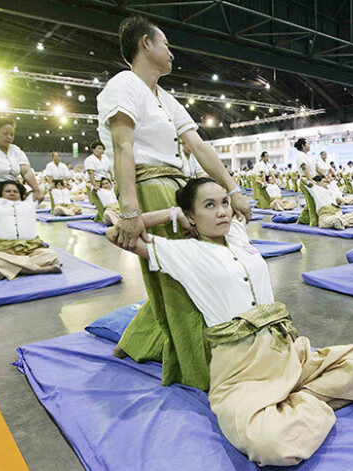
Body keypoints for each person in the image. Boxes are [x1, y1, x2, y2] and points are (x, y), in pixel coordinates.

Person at [106, 177, 353, 466]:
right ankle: (296, 401)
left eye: (224, 203)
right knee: (273, 445)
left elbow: (241, 211)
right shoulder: (182, 252)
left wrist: (233, 197)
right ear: (191, 216)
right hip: (241, 369)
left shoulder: (238, 235)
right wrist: (172, 213)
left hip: (286, 351)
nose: (222, 211)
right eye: (209, 206)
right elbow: (115, 233)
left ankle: (295, 399)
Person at [98, 15, 251, 391]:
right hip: (149, 185)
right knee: (179, 280)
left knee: (181, 271)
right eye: (166, 43)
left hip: (179, 186)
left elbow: (198, 146)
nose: (171, 51)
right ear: (146, 44)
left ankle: (134, 343)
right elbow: (123, 146)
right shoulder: (124, 85)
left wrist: (232, 189)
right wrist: (130, 210)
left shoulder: (165, 98)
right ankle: (193, 368)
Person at [0, 181, 61, 280]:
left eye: (15, 191)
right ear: (0, 193)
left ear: (20, 194)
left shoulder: (29, 203)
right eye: (8, 191)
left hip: (31, 250)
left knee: (51, 255)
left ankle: (13, 269)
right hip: (5, 251)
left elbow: (41, 189)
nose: (12, 193)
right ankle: (37, 270)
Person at [0, 116, 44, 206]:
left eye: (12, 134)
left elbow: (26, 171)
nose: (9, 137)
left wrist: (37, 190)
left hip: (14, 194)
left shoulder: (16, 150)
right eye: (5, 134)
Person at [84, 141, 113, 222]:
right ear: (93, 150)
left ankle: (100, 217)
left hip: (105, 181)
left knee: (107, 201)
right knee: (99, 202)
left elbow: (109, 171)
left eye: (102, 149)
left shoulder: (105, 158)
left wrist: (111, 181)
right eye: (99, 149)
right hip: (95, 181)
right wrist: (94, 185)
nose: (101, 151)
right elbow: (91, 173)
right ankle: (103, 219)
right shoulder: (89, 159)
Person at [294, 138, 319, 226]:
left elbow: (316, 168)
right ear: (303, 146)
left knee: (311, 201)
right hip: (305, 180)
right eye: (307, 144)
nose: (309, 145)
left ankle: (302, 219)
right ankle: (314, 222)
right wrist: (310, 180)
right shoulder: (300, 156)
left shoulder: (310, 156)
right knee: (311, 202)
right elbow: (305, 168)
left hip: (311, 178)